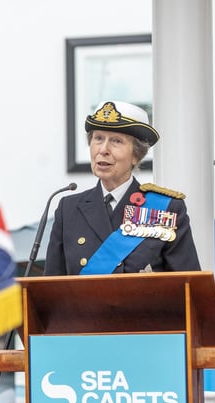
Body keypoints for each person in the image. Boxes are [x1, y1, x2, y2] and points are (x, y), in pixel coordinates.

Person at [44, 100, 201, 276]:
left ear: (136, 155)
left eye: (116, 141)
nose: (103, 150)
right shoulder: (68, 209)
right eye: (98, 138)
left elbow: (188, 286)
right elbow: (52, 286)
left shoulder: (166, 208)